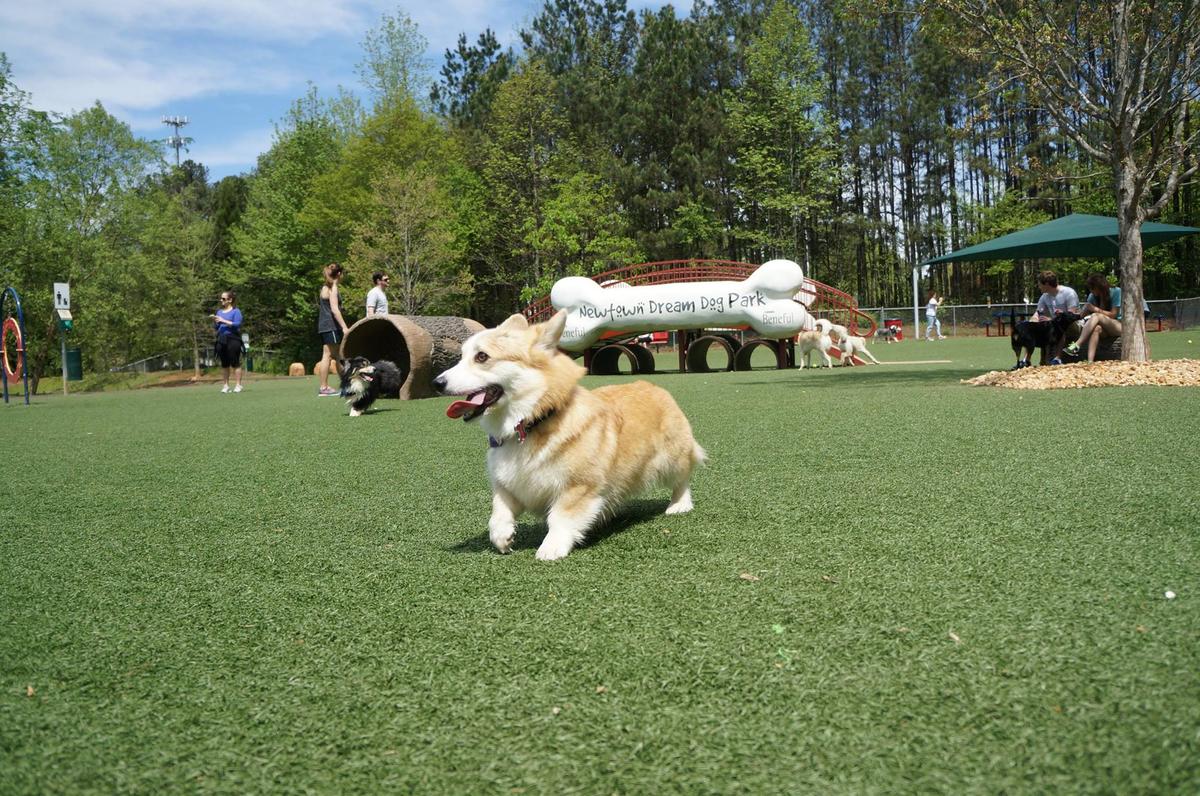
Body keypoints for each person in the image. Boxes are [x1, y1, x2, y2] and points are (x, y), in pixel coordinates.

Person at [1014, 269, 1080, 366]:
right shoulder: (1045, 296)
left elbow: (1072, 316)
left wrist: (1052, 319)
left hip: (1073, 325)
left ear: (1047, 284)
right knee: (1033, 327)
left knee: (1060, 326)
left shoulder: (1069, 293)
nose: (1039, 286)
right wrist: (1033, 322)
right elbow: (1038, 313)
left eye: (1040, 284)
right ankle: (1026, 360)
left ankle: (1057, 359)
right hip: (1054, 325)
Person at [1065, 273, 1122, 362]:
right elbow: (1081, 316)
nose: (1091, 291)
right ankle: (1090, 361)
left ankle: (1077, 345)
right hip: (1103, 328)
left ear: (1099, 287)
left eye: (1092, 288)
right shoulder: (1092, 296)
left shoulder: (1116, 292)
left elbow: (1113, 314)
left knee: (1096, 315)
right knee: (1096, 328)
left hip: (1117, 325)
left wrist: (1094, 309)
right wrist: (1084, 311)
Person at [316, 263, 349, 396]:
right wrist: (344, 327)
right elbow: (335, 310)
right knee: (334, 355)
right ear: (339, 274)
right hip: (331, 326)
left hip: (324, 326)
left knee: (329, 355)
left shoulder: (325, 287)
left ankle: (336, 386)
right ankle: (341, 386)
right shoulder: (332, 288)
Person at [211, 290, 244, 393]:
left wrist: (223, 320)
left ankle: (238, 385)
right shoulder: (219, 312)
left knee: (235, 362)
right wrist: (216, 322)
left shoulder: (236, 311)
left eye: (224, 299)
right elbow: (217, 327)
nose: (221, 300)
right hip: (221, 339)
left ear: (230, 300)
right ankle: (226, 386)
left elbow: (237, 324)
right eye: (221, 298)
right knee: (224, 363)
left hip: (233, 338)